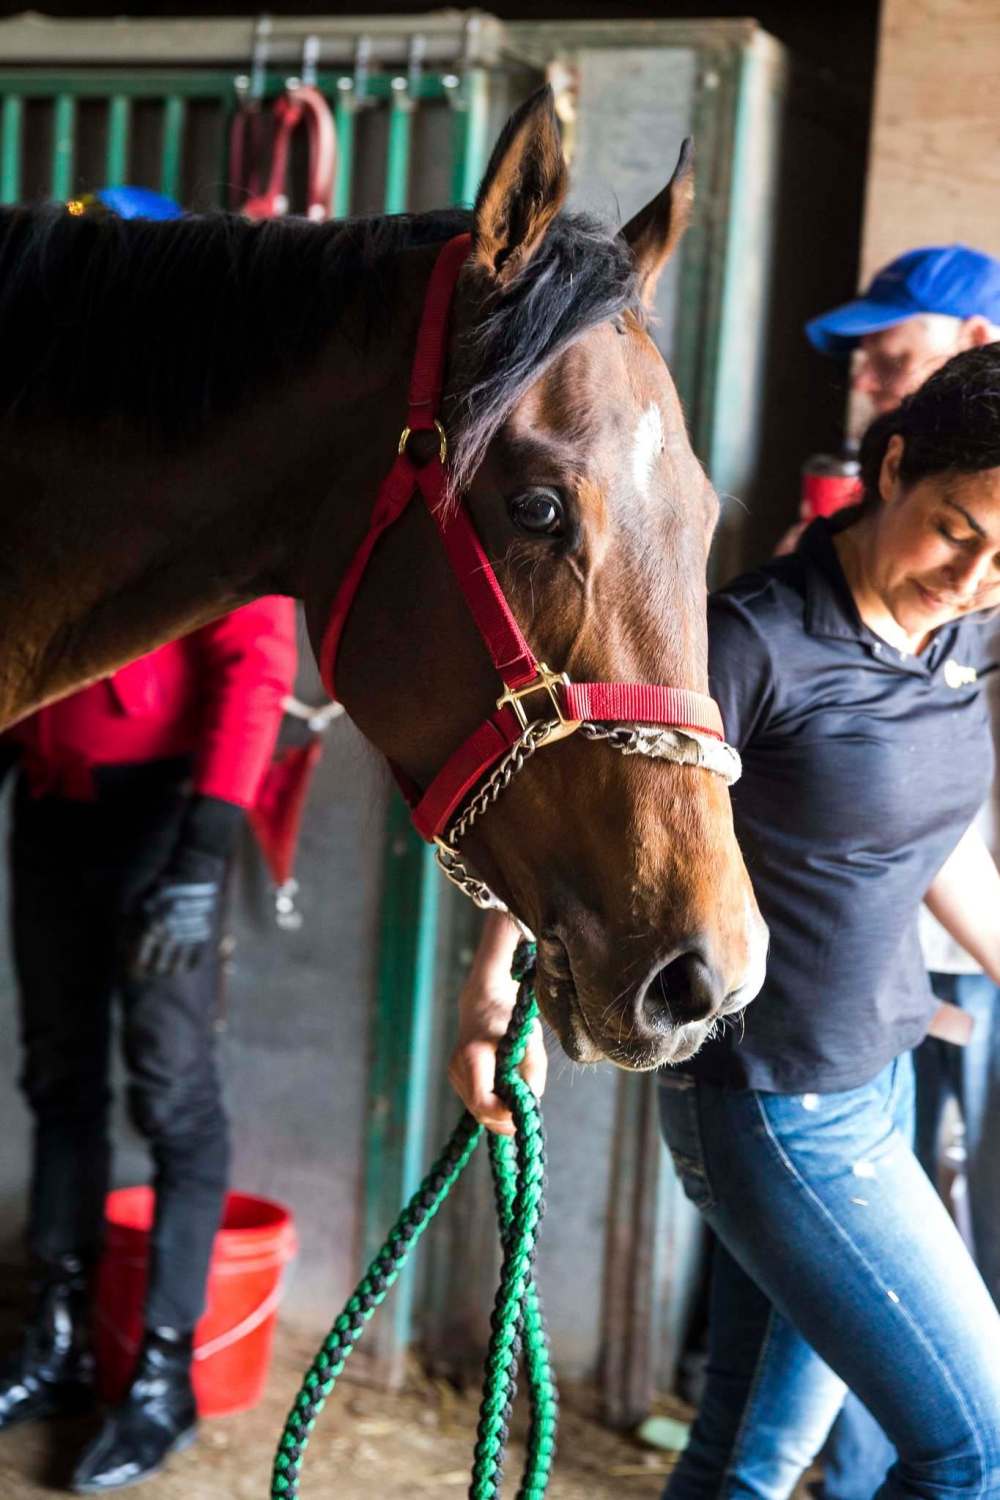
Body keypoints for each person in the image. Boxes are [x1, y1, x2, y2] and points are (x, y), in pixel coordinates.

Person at [453, 344, 1000, 1499]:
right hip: (775, 1105)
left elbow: (927, 829)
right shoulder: (751, 644)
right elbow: (593, 808)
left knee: (752, 1451)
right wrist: (493, 988)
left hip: (875, 1075)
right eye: (955, 529)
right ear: (892, 467)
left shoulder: (952, 630)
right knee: (977, 1451)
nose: (971, 577)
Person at [0, 596, 297, 1493]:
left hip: (164, 813)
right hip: (49, 800)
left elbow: (257, 663)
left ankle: (164, 1378)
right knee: (58, 1078)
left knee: (172, 1095)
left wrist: (201, 856)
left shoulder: (192, 507)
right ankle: (61, 1341)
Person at [803, 245, 1000, 1500]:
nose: (871, 379)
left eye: (896, 355)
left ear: (976, 348)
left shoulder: (963, 574)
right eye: (867, 362)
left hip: (957, 943)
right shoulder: (834, 568)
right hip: (848, 992)